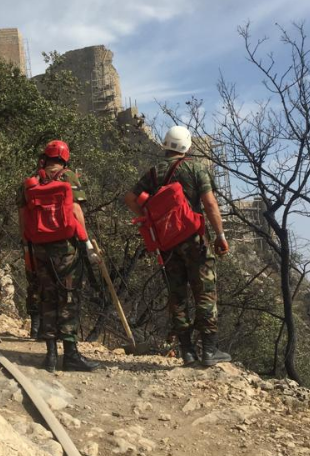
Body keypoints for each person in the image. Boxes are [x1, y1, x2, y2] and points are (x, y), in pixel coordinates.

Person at [124, 125, 231, 367]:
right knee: (204, 291)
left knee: (177, 294)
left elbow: (130, 198)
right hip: (194, 239)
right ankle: (210, 350)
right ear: (187, 146)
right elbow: (210, 204)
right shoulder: (195, 168)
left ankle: (188, 351)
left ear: (165, 145)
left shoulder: (154, 173)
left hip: (167, 243)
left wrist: (149, 216)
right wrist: (220, 235)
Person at [18, 140, 101, 373]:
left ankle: (51, 355)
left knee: (47, 297)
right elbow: (76, 211)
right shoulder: (68, 177)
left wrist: (28, 246)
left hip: (39, 248)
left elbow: (22, 216)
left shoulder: (31, 181)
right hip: (66, 249)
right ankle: (71, 355)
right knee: (68, 297)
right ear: (65, 158)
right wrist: (86, 243)